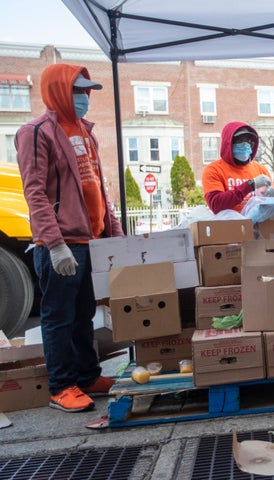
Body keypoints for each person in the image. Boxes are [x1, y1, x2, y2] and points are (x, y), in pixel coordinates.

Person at [15, 64, 124, 413]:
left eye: (87, 92)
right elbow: (35, 193)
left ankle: (87, 376)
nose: (84, 98)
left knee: (84, 316)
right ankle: (61, 386)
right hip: (61, 245)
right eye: (78, 91)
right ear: (59, 90)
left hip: (90, 241)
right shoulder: (35, 132)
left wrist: (115, 234)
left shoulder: (85, 132)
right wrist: (55, 242)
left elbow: (98, 189)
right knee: (58, 317)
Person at [202, 121, 274, 214]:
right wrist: (250, 185)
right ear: (228, 143)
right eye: (240, 141)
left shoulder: (260, 170)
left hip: (260, 225)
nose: (246, 145)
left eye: (249, 142)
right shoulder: (214, 170)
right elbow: (216, 205)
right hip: (231, 226)